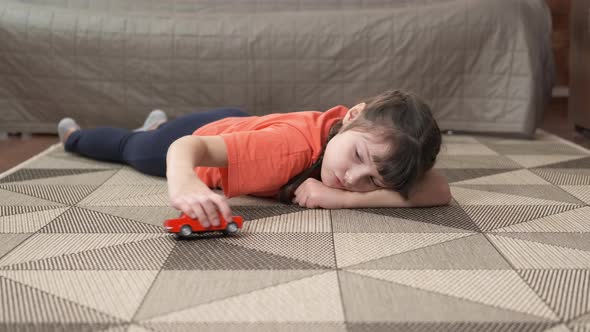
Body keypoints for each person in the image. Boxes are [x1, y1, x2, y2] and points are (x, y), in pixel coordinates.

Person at [58, 89, 451, 228]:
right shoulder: (285, 150)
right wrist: (185, 181)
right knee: (134, 147)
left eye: (373, 181)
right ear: (351, 117)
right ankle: (76, 137)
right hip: (200, 140)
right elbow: (187, 150)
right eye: (358, 157)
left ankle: (156, 124)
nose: (353, 178)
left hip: (246, 128)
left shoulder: (366, 142)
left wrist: (346, 199)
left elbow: (439, 189)